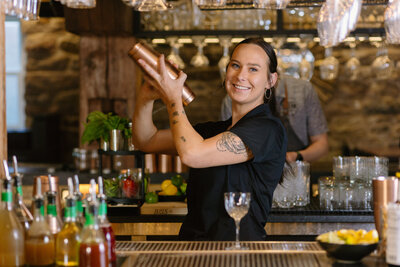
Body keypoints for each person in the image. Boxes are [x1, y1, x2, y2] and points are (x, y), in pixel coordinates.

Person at [132, 38, 287, 241]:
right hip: (194, 251)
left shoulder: (268, 130)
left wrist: (174, 99)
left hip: (239, 254)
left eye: (253, 69)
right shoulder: (211, 132)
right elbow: (146, 140)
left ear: (270, 80)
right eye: (236, 65)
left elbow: (192, 155)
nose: (241, 76)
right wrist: (145, 97)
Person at [221, 73, 329, 163]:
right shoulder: (232, 99)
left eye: (254, 69)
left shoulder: (303, 90)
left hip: (296, 174)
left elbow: (322, 145)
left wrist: (295, 156)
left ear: (273, 77)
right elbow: (225, 149)